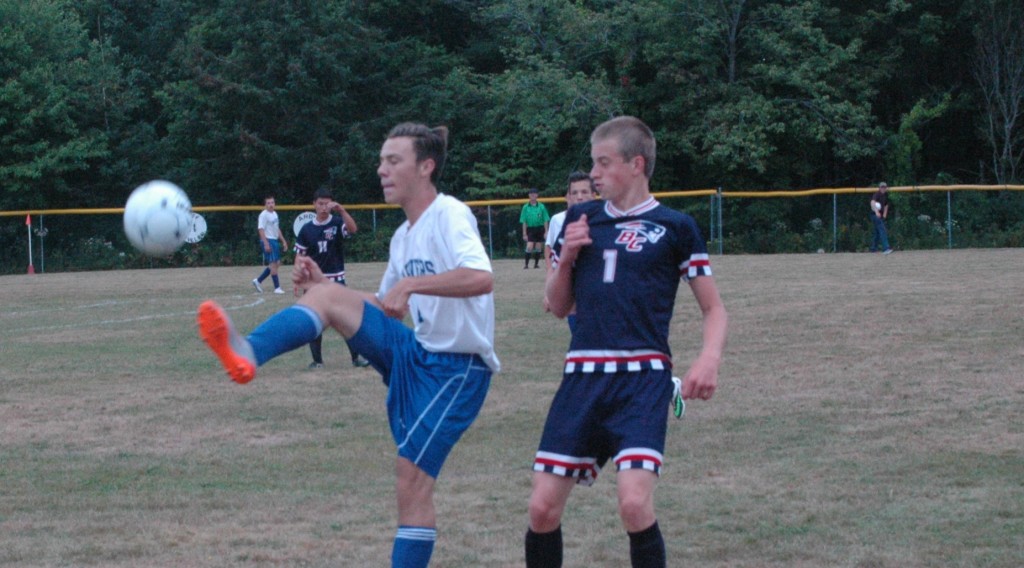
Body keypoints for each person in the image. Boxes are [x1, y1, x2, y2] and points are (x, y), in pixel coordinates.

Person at [197, 122, 499, 568]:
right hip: (415, 353)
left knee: (411, 482)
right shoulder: (403, 237)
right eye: (382, 160)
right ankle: (247, 351)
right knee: (325, 295)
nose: (382, 169)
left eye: (393, 160)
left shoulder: (449, 214)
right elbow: (383, 304)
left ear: (426, 166)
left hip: (457, 369)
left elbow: (482, 277)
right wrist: (326, 285)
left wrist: (413, 285)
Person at [525, 116, 728, 568]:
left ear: (636, 164)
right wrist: (568, 257)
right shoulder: (580, 219)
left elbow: (714, 308)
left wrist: (708, 358)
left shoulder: (675, 227)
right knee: (541, 508)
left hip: (642, 380)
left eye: (603, 163)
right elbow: (559, 307)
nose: (593, 174)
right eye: (592, 163)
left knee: (634, 504)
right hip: (583, 377)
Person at [294, 186, 370, 369]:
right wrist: (299, 277)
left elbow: (353, 229)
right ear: (314, 204)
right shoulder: (306, 230)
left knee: (345, 319)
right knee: (314, 320)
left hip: (336, 279)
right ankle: (317, 361)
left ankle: (356, 358)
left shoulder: (336, 223)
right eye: (320, 203)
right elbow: (300, 256)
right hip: (314, 282)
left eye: (327, 203)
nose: (323, 207)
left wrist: (342, 210)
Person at [543, 171, 597, 332]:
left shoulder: (606, 223)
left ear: (594, 195)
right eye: (574, 193)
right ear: (568, 197)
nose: (579, 197)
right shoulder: (561, 226)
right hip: (576, 306)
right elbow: (555, 264)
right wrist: (548, 293)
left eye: (584, 192)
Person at [253, 195, 289, 294]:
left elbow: (277, 229)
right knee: (273, 264)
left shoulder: (275, 214)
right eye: (268, 203)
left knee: (276, 264)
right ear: (265, 205)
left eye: (272, 202)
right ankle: (277, 288)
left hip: (274, 240)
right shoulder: (263, 215)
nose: (270, 205)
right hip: (268, 240)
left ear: (274, 203)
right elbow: (260, 229)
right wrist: (266, 243)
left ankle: (258, 281)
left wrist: (283, 241)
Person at [520, 187, 550, 269]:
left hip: (540, 228)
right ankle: (526, 264)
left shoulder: (541, 206)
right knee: (529, 246)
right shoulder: (525, 207)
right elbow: (524, 221)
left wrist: (546, 231)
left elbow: (545, 220)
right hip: (530, 229)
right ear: (529, 195)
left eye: (535, 193)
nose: (533, 195)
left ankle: (536, 264)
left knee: (538, 246)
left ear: (537, 195)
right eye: (531, 194)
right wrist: (524, 233)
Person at [869, 182, 894, 254]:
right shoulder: (877, 194)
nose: (883, 188)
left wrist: (884, 215)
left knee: (877, 232)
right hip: (874, 215)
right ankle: (886, 248)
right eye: (882, 187)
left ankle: (873, 248)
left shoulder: (885, 195)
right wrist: (876, 212)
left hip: (880, 216)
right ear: (879, 188)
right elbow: (872, 202)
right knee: (882, 229)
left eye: (884, 187)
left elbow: (886, 205)